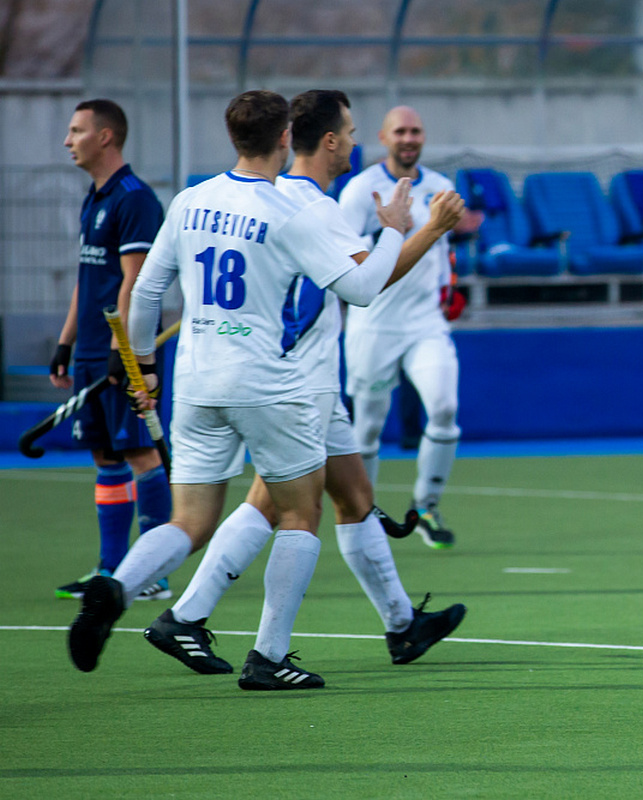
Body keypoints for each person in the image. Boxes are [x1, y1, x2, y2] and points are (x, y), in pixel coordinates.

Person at [66, 90, 426, 690]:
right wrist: (392, 230)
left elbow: (145, 294)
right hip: (264, 383)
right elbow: (362, 288)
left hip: (197, 381)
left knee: (188, 520)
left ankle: (116, 587)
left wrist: (145, 369)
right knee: (299, 512)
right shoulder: (291, 212)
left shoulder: (191, 199)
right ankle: (269, 657)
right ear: (286, 138)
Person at [142, 89, 467, 676]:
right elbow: (371, 283)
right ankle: (192, 618)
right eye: (352, 129)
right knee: (276, 504)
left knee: (355, 498)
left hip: (308, 372)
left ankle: (401, 625)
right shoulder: (311, 205)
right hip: (300, 376)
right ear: (329, 140)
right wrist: (430, 229)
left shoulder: (288, 194)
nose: (360, 139)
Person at [51, 99, 173, 602]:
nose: (67, 140)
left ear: (105, 137)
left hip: (122, 349)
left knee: (142, 454)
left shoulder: (134, 199)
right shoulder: (93, 198)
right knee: (106, 457)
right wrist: (66, 341)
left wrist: (123, 351)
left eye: (76, 130)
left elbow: (135, 281)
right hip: (93, 350)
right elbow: (88, 279)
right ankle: (110, 569)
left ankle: (152, 572)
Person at [339, 106, 462, 549]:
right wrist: (388, 234)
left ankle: (427, 505)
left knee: (445, 409)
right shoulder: (360, 191)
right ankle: (362, 513)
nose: (409, 138)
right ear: (383, 137)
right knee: (368, 427)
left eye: (416, 131)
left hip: (425, 322)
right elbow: (340, 257)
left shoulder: (441, 187)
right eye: (400, 132)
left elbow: (443, 251)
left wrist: (451, 288)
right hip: (373, 324)